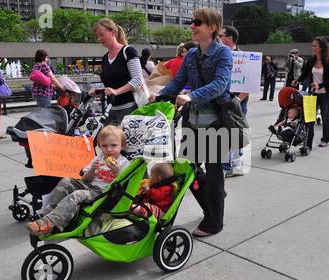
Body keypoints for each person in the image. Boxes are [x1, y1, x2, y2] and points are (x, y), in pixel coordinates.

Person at [149, 8, 232, 237]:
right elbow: (177, 82)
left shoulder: (223, 53)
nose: (192, 26)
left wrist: (191, 96)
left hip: (217, 120)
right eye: (192, 22)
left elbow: (220, 84)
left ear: (212, 27)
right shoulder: (191, 55)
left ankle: (214, 222)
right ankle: (211, 206)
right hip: (193, 120)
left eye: (197, 22)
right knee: (191, 170)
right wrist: (160, 96)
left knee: (215, 173)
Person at [26, 125, 130, 237]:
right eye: (104, 146)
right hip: (89, 185)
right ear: (99, 146)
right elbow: (85, 179)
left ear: (122, 146)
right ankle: (47, 215)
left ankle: (49, 225)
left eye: (113, 145)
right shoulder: (98, 159)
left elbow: (123, 185)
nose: (108, 149)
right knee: (66, 182)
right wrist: (92, 169)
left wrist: (116, 172)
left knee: (77, 195)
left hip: (103, 193)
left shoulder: (124, 163)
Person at [90, 18, 144, 125]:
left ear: (113, 32)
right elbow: (110, 84)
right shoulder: (105, 58)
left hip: (129, 109)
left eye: (101, 34)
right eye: (97, 36)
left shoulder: (128, 51)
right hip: (110, 109)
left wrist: (117, 91)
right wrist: (98, 90)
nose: (99, 39)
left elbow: (138, 79)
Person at [293, 37, 329, 149]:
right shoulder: (311, 60)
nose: (313, 48)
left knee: (325, 117)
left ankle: (325, 139)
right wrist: (297, 80)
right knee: (310, 118)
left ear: (321, 47)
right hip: (313, 93)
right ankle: (308, 143)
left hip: (325, 94)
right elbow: (305, 73)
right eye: (313, 45)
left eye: (315, 46)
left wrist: (319, 85)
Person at [220, 25, 248, 178]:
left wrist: (237, 100)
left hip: (237, 102)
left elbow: (248, 83)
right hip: (223, 100)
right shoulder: (220, 55)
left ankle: (236, 165)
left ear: (229, 38)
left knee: (236, 133)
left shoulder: (242, 57)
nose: (219, 38)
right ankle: (227, 165)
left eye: (221, 35)